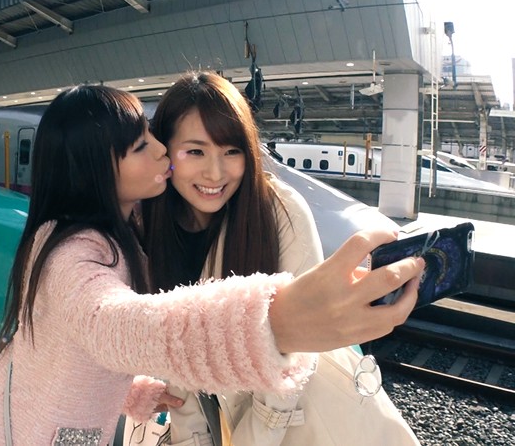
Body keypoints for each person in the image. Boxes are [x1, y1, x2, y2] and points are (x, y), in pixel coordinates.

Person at [0, 85, 424, 445]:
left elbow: (64, 360)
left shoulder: (271, 211)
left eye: (232, 151)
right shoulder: (89, 249)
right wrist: (273, 321)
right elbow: (117, 328)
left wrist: (131, 392)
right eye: (149, 145)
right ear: (97, 169)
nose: (211, 170)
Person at [141, 71, 415, 445]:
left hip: (298, 419)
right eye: (195, 151)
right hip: (224, 416)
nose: (215, 173)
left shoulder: (279, 212)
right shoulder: (151, 227)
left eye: (231, 151)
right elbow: (178, 367)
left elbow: (296, 361)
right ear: (164, 150)